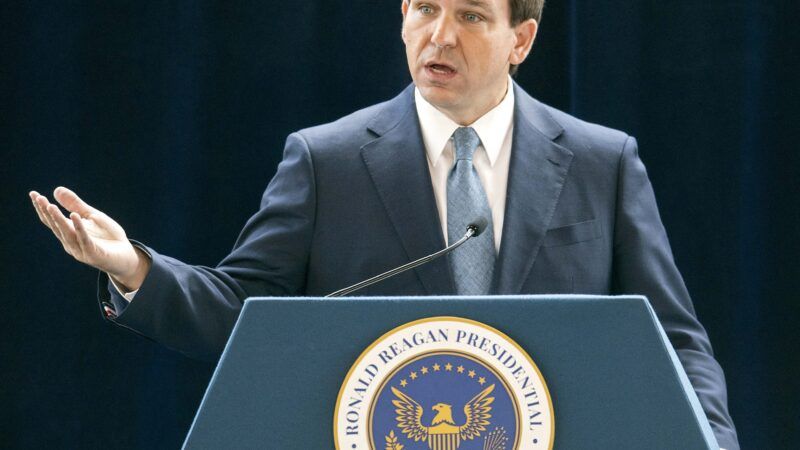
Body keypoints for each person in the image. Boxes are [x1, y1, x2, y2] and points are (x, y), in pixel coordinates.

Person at [29, 0, 739, 448]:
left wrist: (710, 440)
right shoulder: (328, 160)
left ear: (520, 38)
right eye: (424, 8)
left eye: (470, 16)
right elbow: (245, 312)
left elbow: (674, 337)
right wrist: (132, 268)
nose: (439, 35)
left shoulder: (600, 162)